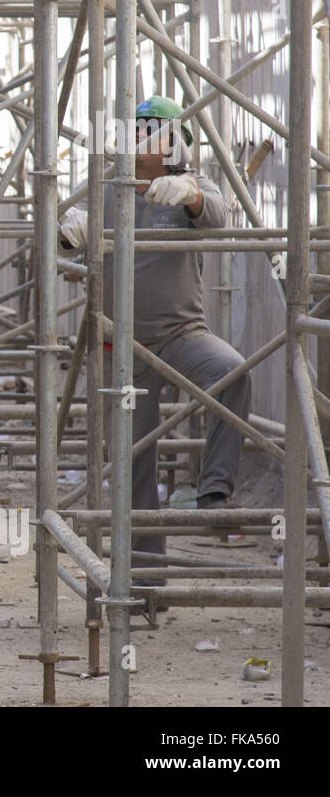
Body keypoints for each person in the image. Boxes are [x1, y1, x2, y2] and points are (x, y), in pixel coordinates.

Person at [58, 95, 251, 568]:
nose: (148, 139)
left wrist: (192, 196)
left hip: (182, 332)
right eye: (141, 129)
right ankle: (145, 579)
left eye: (158, 131)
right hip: (119, 345)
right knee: (132, 462)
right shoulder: (105, 190)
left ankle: (214, 493)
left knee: (232, 372)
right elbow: (59, 249)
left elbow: (218, 215)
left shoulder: (189, 182)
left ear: (176, 142)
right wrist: (68, 229)